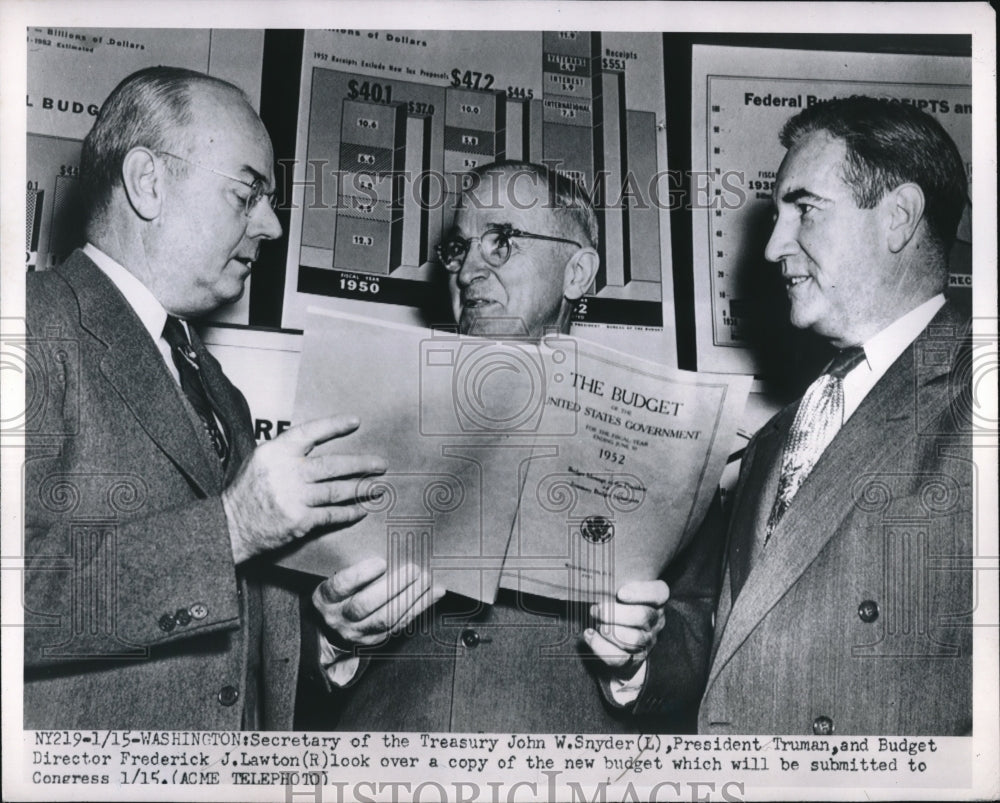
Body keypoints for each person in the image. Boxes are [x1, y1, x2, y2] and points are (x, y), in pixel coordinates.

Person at [23, 66, 389, 730]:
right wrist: (232, 527)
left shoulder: (221, 390)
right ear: (149, 182)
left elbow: (230, 644)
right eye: (248, 192)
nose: (273, 225)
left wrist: (329, 639)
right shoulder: (30, 325)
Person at [297, 162, 720, 732]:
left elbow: (698, 647)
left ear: (577, 272)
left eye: (502, 241)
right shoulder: (368, 413)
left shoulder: (670, 445)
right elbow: (269, 651)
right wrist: (330, 636)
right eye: (460, 247)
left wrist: (635, 662)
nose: (469, 269)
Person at [697, 97, 972, 735]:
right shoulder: (773, 439)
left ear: (898, 217)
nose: (771, 246)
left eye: (805, 210)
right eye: (775, 215)